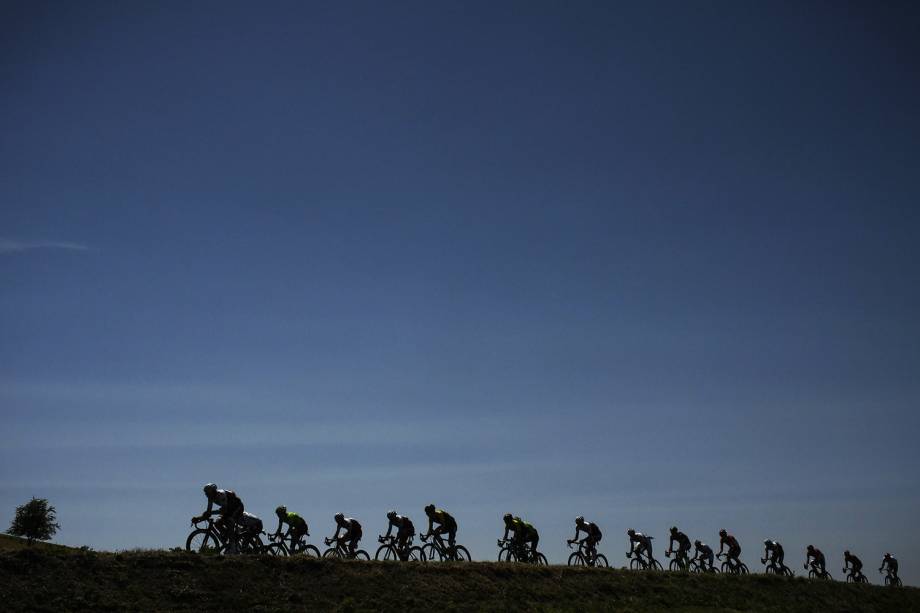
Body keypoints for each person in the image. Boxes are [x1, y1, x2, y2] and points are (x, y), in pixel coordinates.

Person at [192, 483, 244, 549]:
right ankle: (228, 535)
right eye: (205, 493)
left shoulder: (221, 495)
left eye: (207, 493)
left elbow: (223, 511)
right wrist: (198, 518)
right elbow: (208, 513)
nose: (206, 495)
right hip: (229, 509)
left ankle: (233, 546)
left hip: (237, 507)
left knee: (229, 521)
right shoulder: (210, 498)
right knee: (217, 524)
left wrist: (209, 513)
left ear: (213, 492)